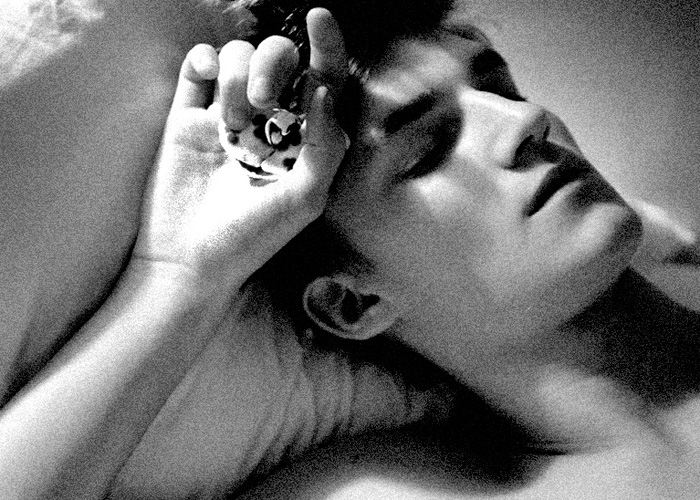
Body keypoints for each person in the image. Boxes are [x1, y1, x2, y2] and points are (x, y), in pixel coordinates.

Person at [0, 2, 697, 500]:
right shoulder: (397, 487)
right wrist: (179, 278)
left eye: (499, 86)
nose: (526, 122)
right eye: (426, 150)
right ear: (351, 302)